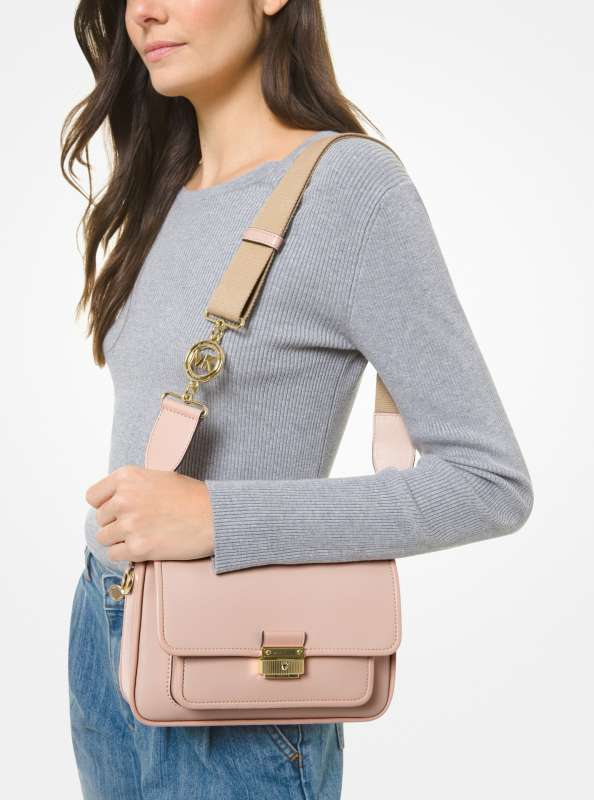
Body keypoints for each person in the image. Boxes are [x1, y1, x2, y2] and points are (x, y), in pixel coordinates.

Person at [63, 0, 534, 797]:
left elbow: (490, 483)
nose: (144, 11)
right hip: (106, 625)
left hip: (238, 654)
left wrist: (219, 518)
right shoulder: (165, 185)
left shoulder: (350, 190)